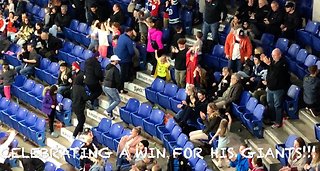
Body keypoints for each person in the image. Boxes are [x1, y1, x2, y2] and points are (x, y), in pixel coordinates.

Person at [261, 48, 290, 128]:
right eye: (272, 55)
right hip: (270, 87)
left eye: (275, 55)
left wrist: (269, 63)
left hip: (278, 89)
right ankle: (272, 119)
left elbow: (276, 71)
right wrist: (264, 62)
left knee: (278, 105)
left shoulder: (283, 63)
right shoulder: (273, 62)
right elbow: (270, 72)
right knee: (270, 104)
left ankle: (278, 122)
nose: (273, 57)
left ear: (280, 55)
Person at [114, 27, 135, 94]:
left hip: (119, 58)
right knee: (122, 75)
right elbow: (131, 52)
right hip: (125, 59)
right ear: (130, 32)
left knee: (121, 73)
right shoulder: (128, 40)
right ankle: (120, 89)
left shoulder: (121, 36)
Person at [72, 74, 91, 138]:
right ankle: (74, 135)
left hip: (74, 106)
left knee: (82, 119)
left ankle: (80, 132)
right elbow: (85, 98)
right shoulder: (81, 88)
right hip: (79, 107)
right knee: (81, 121)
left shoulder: (74, 87)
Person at [103, 55, 122, 120]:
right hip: (111, 86)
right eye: (117, 60)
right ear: (115, 61)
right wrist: (119, 88)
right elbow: (118, 80)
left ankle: (110, 116)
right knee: (117, 100)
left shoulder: (107, 67)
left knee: (111, 100)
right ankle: (107, 110)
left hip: (104, 85)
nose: (118, 61)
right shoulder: (115, 69)